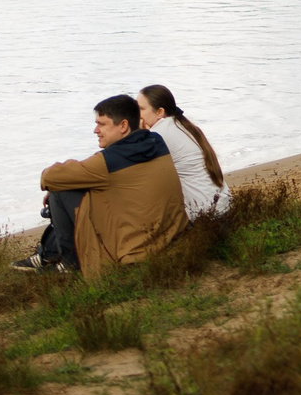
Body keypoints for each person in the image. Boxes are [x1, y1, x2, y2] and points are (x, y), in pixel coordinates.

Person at [12, 95, 186, 277]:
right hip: (167, 236)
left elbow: (50, 177)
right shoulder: (156, 142)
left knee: (59, 191)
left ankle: (69, 265)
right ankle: (49, 253)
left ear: (123, 126)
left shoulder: (107, 162)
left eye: (101, 124)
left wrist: (67, 180)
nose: (96, 130)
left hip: (132, 250)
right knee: (84, 189)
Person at [139, 82, 231, 220]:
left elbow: (134, 161)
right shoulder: (181, 124)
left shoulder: (160, 132)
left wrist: (140, 133)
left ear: (159, 112)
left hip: (205, 214)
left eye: (140, 109)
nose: (135, 114)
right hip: (224, 205)